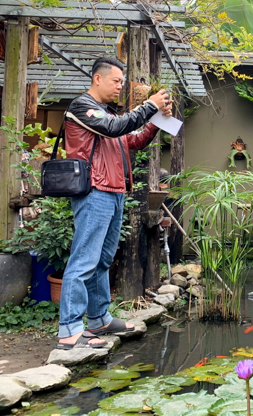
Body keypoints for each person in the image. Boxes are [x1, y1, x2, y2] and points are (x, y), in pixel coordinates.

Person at [56, 56, 171, 350]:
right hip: (94, 191)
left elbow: (132, 140)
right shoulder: (82, 107)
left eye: (122, 82)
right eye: (116, 81)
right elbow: (114, 128)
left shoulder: (107, 116)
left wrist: (157, 121)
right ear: (97, 78)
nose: (121, 86)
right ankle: (69, 330)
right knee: (83, 260)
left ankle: (99, 320)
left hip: (114, 191)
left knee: (103, 260)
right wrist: (150, 106)